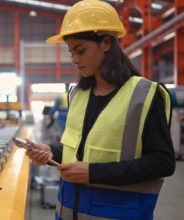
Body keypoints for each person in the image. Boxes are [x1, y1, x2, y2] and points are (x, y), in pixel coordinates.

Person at [25, 0, 175, 219]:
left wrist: (92, 173)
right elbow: (81, 151)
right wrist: (50, 152)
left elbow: (163, 162)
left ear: (106, 43)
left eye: (81, 51)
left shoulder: (144, 96)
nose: (75, 60)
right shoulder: (79, 95)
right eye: (71, 53)